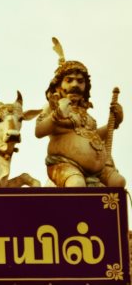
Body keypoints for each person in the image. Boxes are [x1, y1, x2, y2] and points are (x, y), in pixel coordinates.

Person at [34, 39, 125, 187]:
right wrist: (56, 115)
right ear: (58, 86)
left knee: (118, 182)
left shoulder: (85, 113)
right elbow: (39, 131)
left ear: (85, 87)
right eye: (69, 80)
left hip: (97, 170)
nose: (75, 85)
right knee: (76, 183)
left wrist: (113, 123)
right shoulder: (53, 106)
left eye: (80, 81)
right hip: (65, 166)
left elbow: (93, 135)